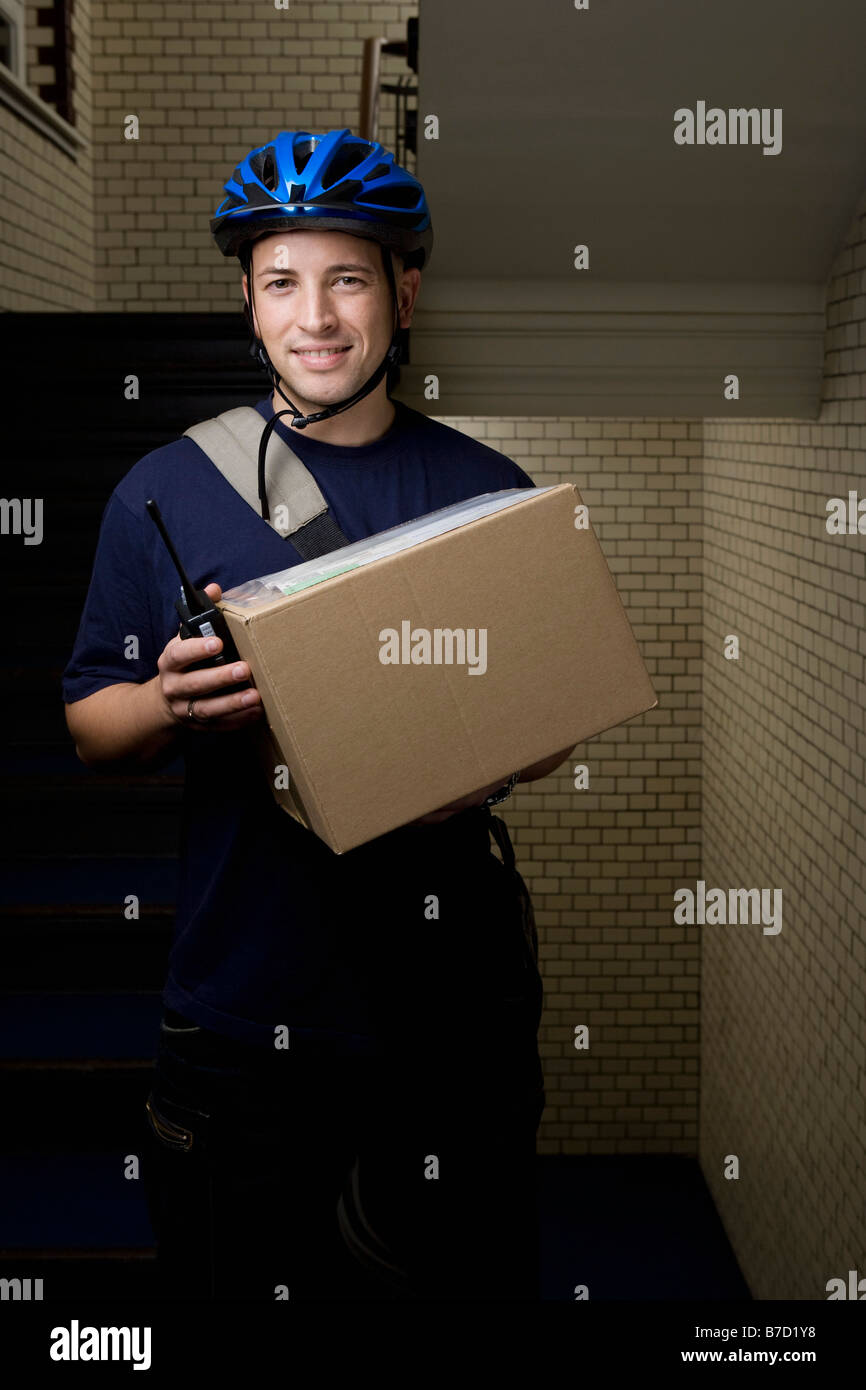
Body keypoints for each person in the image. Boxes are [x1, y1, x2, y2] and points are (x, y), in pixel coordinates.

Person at [62, 128, 574, 1302]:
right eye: (283, 282)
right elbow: (92, 721)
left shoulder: (487, 491)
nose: (318, 316)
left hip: (443, 1009)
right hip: (245, 1007)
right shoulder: (160, 489)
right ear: (246, 300)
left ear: (400, 291)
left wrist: (489, 759)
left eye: (347, 278)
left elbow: (549, 718)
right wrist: (164, 700)